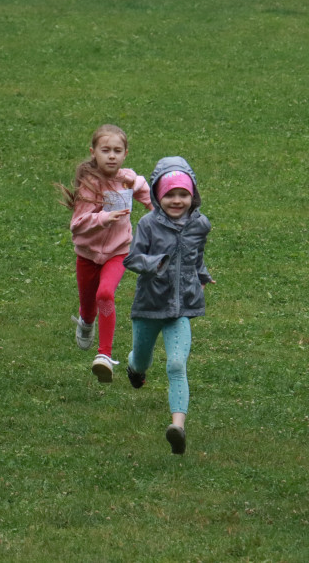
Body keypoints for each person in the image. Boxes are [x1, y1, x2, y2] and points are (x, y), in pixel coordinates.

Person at [124, 157, 213, 455]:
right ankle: (134, 367)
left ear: (193, 195)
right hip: (149, 306)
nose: (177, 200)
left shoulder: (200, 225)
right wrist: (155, 263)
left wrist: (202, 274)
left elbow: (195, 255)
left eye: (183, 194)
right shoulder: (148, 224)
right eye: (170, 194)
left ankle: (178, 427)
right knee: (142, 360)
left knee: (177, 364)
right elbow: (132, 258)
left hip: (181, 308)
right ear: (157, 195)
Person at [56, 125, 153, 381]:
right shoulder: (89, 185)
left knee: (105, 293)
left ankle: (104, 355)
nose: (112, 156)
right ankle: (86, 323)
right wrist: (103, 217)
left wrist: (164, 216)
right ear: (93, 152)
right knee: (88, 307)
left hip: (118, 252)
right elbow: (76, 224)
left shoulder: (128, 179)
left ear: (125, 154)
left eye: (117, 151)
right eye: (105, 150)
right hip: (87, 255)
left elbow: (150, 197)